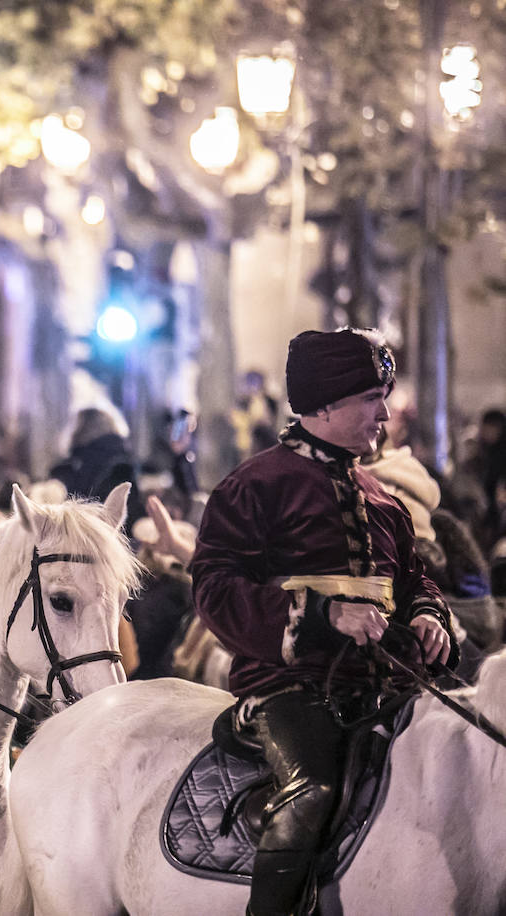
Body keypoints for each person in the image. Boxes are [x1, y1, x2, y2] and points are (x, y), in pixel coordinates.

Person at [189, 328, 456, 916]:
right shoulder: (252, 487)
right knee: (313, 791)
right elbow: (214, 587)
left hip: (386, 686)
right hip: (289, 686)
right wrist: (323, 615)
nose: (384, 414)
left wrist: (428, 614)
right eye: (371, 397)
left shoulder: (383, 501)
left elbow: (414, 580)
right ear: (325, 404)